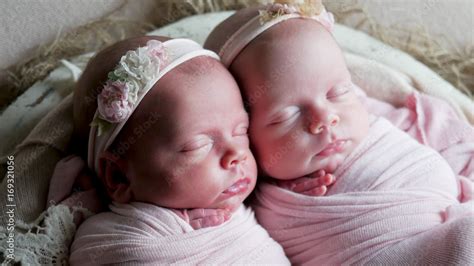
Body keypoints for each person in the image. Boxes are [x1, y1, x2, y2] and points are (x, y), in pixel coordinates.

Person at [204, 1, 474, 264]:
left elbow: (453, 140)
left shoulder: (377, 119)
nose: (324, 118)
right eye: (287, 115)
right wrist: (260, 193)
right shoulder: (247, 200)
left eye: (338, 92)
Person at [65, 35, 289, 265]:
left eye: (241, 132)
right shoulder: (111, 240)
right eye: (198, 145)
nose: (237, 154)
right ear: (119, 177)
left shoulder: (255, 205)